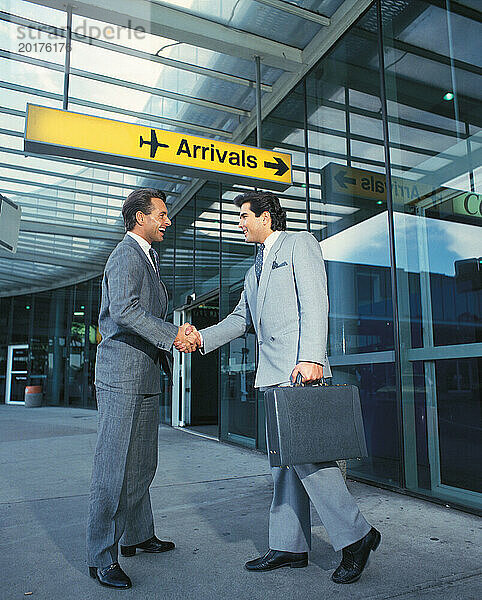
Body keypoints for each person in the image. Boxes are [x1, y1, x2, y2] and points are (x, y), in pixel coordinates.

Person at [176, 191, 380, 584]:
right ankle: (290, 545)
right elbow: (240, 319)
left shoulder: (298, 243)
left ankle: (357, 535)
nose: (240, 223)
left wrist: (312, 356)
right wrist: (200, 338)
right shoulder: (254, 268)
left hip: (299, 369)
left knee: (311, 459)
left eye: (244, 216)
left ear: (266, 217)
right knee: (284, 463)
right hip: (272, 375)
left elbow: (315, 302)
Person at [87, 188, 198, 589]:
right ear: (140, 218)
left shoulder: (147, 257)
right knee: (112, 469)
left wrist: (168, 344)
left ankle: (137, 534)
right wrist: (174, 335)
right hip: (121, 377)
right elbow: (125, 309)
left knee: (141, 464)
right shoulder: (125, 255)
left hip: (146, 374)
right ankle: (101, 556)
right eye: (162, 215)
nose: (167, 221)